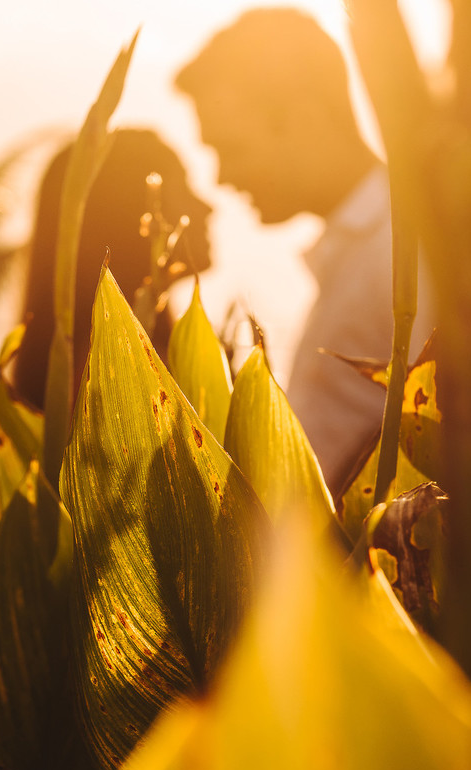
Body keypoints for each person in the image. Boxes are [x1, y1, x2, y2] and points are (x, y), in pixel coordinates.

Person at [175, 7, 435, 490]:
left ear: (305, 120)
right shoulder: (359, 252)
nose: (220, 177)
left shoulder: (404, 251)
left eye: (230, 148)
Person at [13, 128, 213, 407]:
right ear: (130, 215)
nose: (208, 207)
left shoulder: (157, 350)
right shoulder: (107, 374)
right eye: (183, 189)